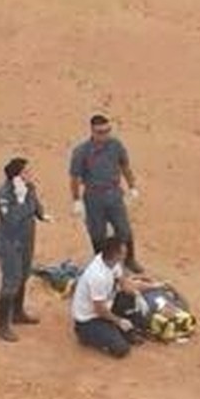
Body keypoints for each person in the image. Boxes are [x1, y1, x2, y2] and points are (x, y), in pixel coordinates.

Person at [68, 113, 143, 273]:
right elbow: (75, 177)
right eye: (101, 132)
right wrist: (76, 200)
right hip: (94, 197)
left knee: (124, 229)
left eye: (108, 131)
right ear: (93, 132)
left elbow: (124, 166)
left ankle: (130, 260)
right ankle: (102, 264)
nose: (105, 135)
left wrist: (132, 186)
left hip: (114, 193)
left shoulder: (116, 145)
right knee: (97, 233)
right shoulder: (81, 152)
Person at [0, 157, 47, 342]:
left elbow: (37, 207)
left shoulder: (28, 188)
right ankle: (2, 325)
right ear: (16, 176)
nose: (30, 175)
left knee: (24, 275)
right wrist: (22, 201)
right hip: (9, 243)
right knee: (11, 280)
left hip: (25, 240)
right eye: (26, 172)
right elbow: (11, 221)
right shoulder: (4, 195)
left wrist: (41, 214)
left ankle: (17, 312)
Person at [70, 236, 143, 358]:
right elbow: (100, 309)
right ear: (116, 255)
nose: (126, 255)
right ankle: (87, 336)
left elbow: (124, 284)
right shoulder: (97, 276)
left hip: (106, 306)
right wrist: (119, 321)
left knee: (129, 298)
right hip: (89, 320)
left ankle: (115, 330)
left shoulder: (111, 262)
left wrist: (147, 288)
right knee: (121, 349)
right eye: (123, 253)